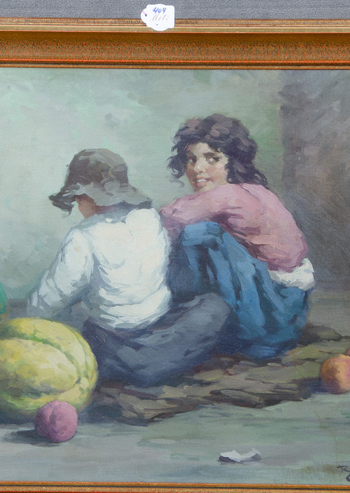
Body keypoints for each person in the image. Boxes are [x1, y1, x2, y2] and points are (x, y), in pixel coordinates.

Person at [28, 148, 229, 387]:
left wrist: (30, 321)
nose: (78, 205)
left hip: (113, 341)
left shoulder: (83, 236)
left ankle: (136, 364)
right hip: (159, 325)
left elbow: (55, 293)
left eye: (77, 199)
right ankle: (156, 360)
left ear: (87, 196)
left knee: (79, 321)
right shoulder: (149, 217)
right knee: (214, 307)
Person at [159, 114, 315, 359]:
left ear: (233, 162)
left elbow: (168, 220)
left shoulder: (232, 195)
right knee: (198, 236)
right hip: (286, 312)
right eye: (191, 159)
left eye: (212, 158)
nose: (197, 168)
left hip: (273, 316)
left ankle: (182, 321)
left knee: (198, 234)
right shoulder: (254, 192)